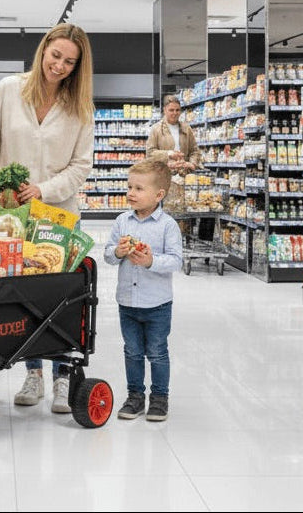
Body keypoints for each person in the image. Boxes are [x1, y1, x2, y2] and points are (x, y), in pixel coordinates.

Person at [0, 23, 94, 414]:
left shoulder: (80, 108)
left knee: (58, 297)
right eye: (55, 55)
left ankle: (62, 376)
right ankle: (33, 372)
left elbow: (81, 167)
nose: (59, 66)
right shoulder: (8, 90)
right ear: (43, 50)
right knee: (22, 297)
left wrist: (44, 189)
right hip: (12, 217)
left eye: (69, 62)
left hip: (58, 217)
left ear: (78, 67)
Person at [103, 159, 182, 422]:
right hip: (127, 301)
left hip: (157, 303)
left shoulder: (167, 225)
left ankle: (159, 398)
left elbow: (175, 260)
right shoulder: (122, 221)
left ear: (159, 195)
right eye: (129, 186)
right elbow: (107, 255)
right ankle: (135, 396)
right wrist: (117, 251)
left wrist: (151, 261)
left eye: (138, 188)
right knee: (132, 351)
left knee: (157, 351)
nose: (130, 193)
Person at [146, 94, 213, 239]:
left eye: (177, 110)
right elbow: (150, 153)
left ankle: (184, 242)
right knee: (168, 213)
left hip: (184, 178)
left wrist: (192, 163)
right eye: (171, 110)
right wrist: (169, 154)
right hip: (165, 178)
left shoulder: (186, 129)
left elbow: (195, 150)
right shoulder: (156, 129)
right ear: (164, 110)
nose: (175, 113)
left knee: (184, 213)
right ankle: (166, 240)